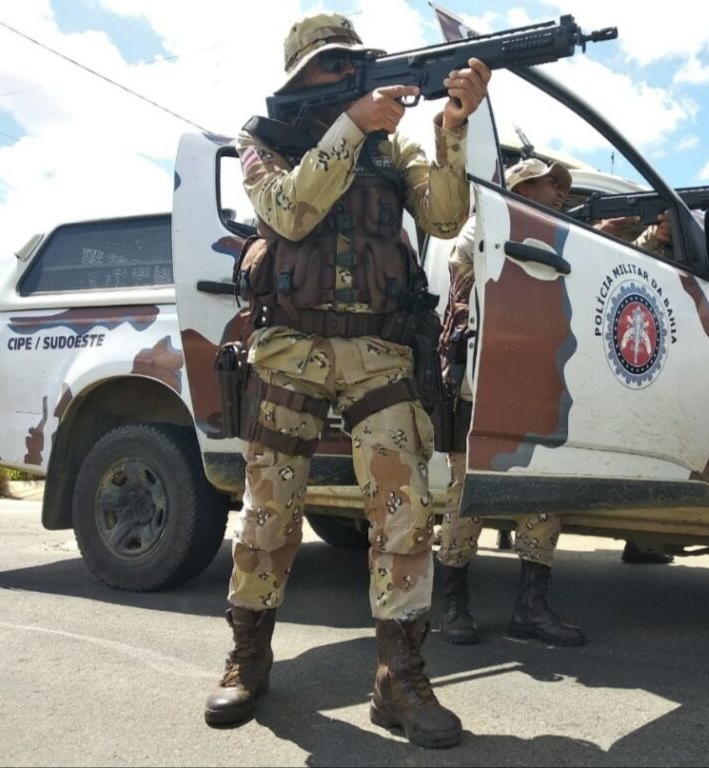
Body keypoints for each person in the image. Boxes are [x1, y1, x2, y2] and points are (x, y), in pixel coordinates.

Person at [203, 13, 490, 750]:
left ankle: (399, 677)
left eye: (351, 66)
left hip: (379, 353)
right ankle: (249, 655)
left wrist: (455, 124)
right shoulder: (264, 140)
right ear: (301, 79)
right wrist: (351, 124)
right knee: (268, 516)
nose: (345, 78)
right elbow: (287, 213)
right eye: (332, 69)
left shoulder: (392, 144)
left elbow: (448, 215)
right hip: (290, 351)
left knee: (406, 516)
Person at [436, 158, 587, 647]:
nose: (560, 193)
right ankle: (454, 605)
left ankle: (530, 608)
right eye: (550, 185)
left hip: (535, 378)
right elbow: (464, 275)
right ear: (521, 186)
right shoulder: (484, 225)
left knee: (541, 495)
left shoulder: (560, 234)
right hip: (480, 378)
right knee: (466, 495)